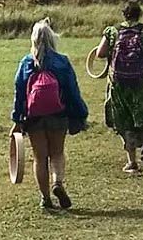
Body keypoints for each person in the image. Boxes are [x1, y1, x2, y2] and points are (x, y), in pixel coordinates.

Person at [12, 19, 90, 214]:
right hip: (58, 114)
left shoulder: (26, 62)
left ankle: (45, 198)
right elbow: (73, 91)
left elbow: (19, 93)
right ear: (52, 38)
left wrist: (16, 120)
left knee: (40, 157)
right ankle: (58, 182)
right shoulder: (62, 61)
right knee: (57, 152)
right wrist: (81, 113)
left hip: (33, 118)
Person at [92, 0, 143, 174]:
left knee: (124, 119)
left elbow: (100, 53)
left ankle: (131, 162)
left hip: (119, 82)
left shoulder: (113, 31)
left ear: (123, 14)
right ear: (139, 14)